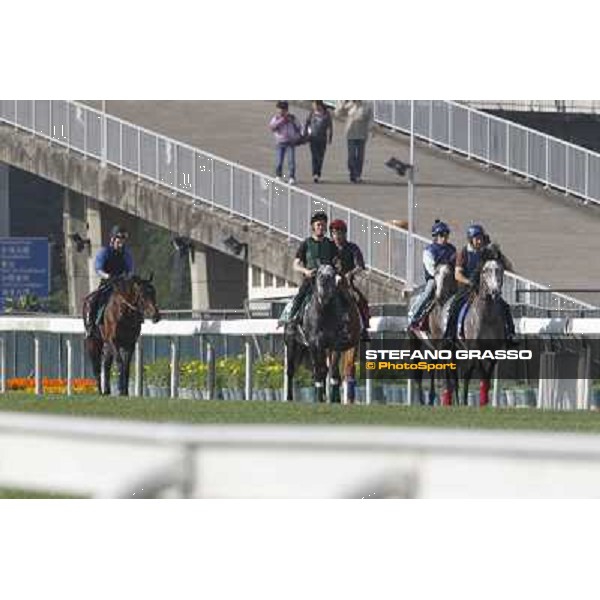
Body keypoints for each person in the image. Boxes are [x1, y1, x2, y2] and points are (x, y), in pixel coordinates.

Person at [444, 224, 515, 340]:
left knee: (505, 306)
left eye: (481, 238)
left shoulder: (487, 252)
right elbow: (457, 275)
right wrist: (469, 282)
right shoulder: (463, 253)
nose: (479, 241)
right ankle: (449, 335)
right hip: (468, 287)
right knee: (454, 306)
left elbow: (507, 265)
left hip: (486, 288)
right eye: (476, 238)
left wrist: (498, 254)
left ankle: (511, 334)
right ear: (470, 240)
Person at [278, 211, 338, 327]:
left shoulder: (330, 244)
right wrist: (306, 271)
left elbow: (336, 262)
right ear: (313, 227)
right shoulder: (306, 244)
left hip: (328, 281)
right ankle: (291, 320)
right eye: (318, 225)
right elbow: (295, 265)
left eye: (323, 225)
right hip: (311, 280)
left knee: (343, 296)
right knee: (300, 296)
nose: (321, 227)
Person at [83, 225, 134, 338]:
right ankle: (90, 327)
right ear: (113, 239)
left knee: (136, 299)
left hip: (122, 284)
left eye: (123, 238)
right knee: (92, 300)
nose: (122, 241)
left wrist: (126, 276)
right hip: (108, 284)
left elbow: (130, 270)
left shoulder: (127, 253)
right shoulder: (104, 252)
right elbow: (98, 268)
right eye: (119, 238)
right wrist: (107, 276)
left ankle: (137, 324)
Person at [408, 220, 456, 333]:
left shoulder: (452, 249)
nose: (444, 237)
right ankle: (415, 317)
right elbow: (431, 269)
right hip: (434, 278)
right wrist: (440, 275)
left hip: (450, 278)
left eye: (446, 234)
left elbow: (455, 265)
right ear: (435, 236)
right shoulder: (429, 251)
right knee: (429, 291)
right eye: (441, 235)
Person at [328, 219, 371, 340]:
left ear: (344, 234)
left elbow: (360, 266)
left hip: (347, 283)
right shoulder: (328, 248)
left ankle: (363, 327)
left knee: (359, 299)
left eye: (340, 233)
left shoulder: (352, 248)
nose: (337, 236)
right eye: (334, 233)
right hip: (330, 282)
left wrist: (349, 273)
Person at [335, 101, 373, 183]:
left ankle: (358, 175)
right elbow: (337, 114)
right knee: (351, 156)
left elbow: (370, 119)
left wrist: (371, 130)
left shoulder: (367, 106)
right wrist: (342, 105)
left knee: (360, 156)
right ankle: (352, 173)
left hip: (362, 134)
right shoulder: (349, 105)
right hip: (351, 134)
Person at [268, 101, 303, 185]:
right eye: (279, 110)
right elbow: (272, 127)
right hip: (280, 142)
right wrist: (282, 120)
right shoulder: (276, 118)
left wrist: (297, 136)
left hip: (290, 142)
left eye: (282, 110)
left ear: (286, 110)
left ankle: (291, 177)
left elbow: (299, 127)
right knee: (279, 160)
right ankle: (278, 175)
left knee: (291, 161)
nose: (280, 111)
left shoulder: (292, 118)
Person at [305, 101, 333, 183]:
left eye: (315, 104)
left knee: (320, 157)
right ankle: (315, 174)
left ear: (319, 105)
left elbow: (330, 127)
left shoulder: (326, 114)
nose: (314, 106)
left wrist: (330, 137)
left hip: (322, 139)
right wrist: (305, 135)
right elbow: (307, 124)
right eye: (313, 104)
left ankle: (318, 172)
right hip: (313, 138)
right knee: (314, 156)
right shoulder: (312, 113)